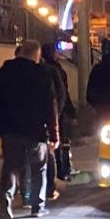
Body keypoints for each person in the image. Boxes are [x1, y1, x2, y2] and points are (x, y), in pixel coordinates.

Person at [0, 39, 58, 219]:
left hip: (10, 129)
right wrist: (54, 132)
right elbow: (50, 106)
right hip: (35, 129)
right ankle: (37, 205)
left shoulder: (3, 73)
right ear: (36, 54)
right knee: (38, 168)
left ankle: (6, 199)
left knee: (11, 166)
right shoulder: (41, 74)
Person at [42, 42, 76, 194]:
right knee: (57, 144)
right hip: (56, 113)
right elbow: (62, 93)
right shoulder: (55, 70)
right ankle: (61, 172)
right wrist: (66, 111)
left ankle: (57, 174)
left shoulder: (44, 69)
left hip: (50, 113)